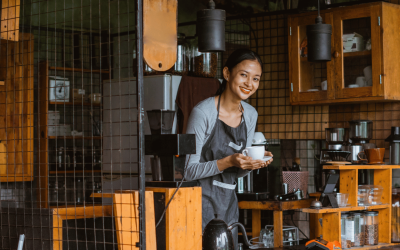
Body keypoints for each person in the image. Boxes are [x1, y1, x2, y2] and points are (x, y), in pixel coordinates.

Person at [184, 49, 273, 249]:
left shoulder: (250, 114)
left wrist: (252, 164)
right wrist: (230, 160)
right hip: (199, 201)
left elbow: (237, 173)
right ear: (226, 73)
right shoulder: (203, 113)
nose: (249, 84)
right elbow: (188, 171)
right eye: (243, 75)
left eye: (256, 79)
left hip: (229, 203)